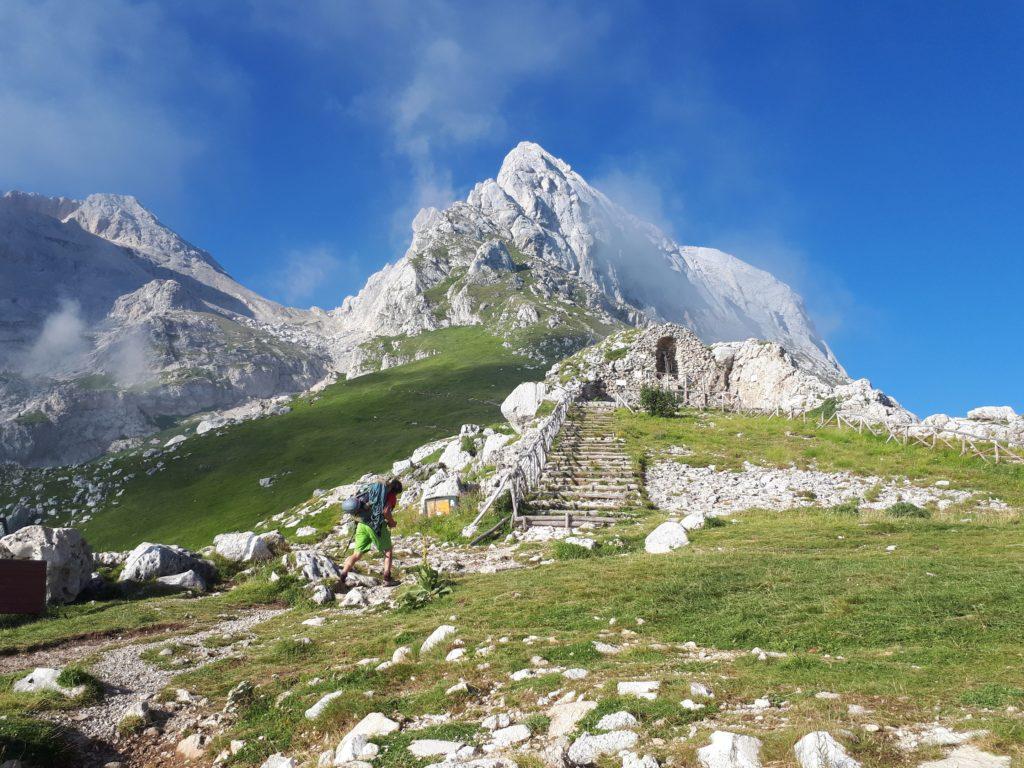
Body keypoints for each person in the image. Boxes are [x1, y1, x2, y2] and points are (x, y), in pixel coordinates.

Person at [340, 478, 402, 587]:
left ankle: (344, 573)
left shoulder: (372, 490)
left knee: (357, 554)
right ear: (395, 491)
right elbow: (386, 511)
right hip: (375, 525)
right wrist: (392, 522)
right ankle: (387, 578)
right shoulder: (391, 496)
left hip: (361, 523)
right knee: (388, 550)